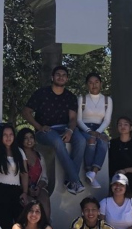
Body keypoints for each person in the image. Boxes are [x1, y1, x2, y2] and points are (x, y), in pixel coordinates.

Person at [22, 65, 86, 194]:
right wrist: (39, 127)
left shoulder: (70, 96)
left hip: (65, 128)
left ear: (67, 79)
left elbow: (73, 119)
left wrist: (70, 131)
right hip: (45, 130)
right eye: (58, 74)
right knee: (57, 141)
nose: (60, 77)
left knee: (81, 141)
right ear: (52, 77)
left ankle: (69, 180)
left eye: (64, 75)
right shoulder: (41, 93)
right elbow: (26, 112)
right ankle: (75, 180)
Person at [74, 73, 113, 188]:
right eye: (90, 82)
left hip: (99, 127)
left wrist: (98, 132)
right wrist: (89, 131)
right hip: (85, 128)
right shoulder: (82, 99)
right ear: (87, 85)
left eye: (96, 82)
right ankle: (88, 171)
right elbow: (79, 120)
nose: (94, 85)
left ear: (101, 84)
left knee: (104, 141)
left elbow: (107, 120)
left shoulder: (107, 100)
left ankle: (93, 173)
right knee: (91, 141)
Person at [18, 127, 52, 220]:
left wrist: (39, 188)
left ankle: (46, 227)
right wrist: (26, 189)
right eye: (26, 138)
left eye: (31, 137)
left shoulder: (39, 156)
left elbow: (44, 178)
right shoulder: (18, 155)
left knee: (44, 199)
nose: (29, 140)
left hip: (37, 188)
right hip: (22, 190)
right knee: (31, 205)